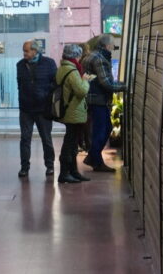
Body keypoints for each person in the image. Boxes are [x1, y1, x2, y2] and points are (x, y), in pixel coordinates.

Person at [83, 34, 126, 173]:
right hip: (98, 99)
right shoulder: (100, 59)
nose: (113, 47)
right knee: (103, 130)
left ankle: (94, 157)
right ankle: (94, 158)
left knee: (102, 129)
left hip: (92, 98)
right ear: (107, 45)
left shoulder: (91, 56)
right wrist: (124, 86)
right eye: (112, 45)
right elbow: (106, 83)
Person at [16, 39, 58, 178]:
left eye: (26, 51)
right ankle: (24, 167)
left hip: (43, 109)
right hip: (26, 109)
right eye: (24, 51)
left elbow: (55, 83)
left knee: (46, 138)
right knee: (25, 139)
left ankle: (50, 166)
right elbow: (19, 84)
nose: (24, 54)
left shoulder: (49, 63)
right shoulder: (20, 65)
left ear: (35, 51)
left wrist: (45, 95)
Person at [55, 44, 94, 184]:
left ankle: (73, 172)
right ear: (75, 56)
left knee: (72, 142)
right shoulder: (72, 71)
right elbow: (81, 91)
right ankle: (65, 173)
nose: (80, 58)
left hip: (68, 110)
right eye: (79, 56)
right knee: (70, 142)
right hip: (73, 111)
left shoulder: (62, 68)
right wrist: (85, 80)